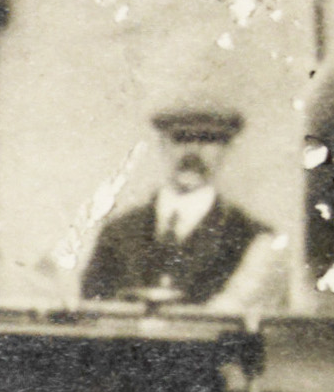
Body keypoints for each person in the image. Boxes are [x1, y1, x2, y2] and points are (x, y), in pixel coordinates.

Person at [82, 99, 285, 310]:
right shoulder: (118, 233)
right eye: (181, 138)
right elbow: (91, 312)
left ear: (227, 148)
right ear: (162, 144)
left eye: (208, 140)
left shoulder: (251, 237)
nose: (193, 151)